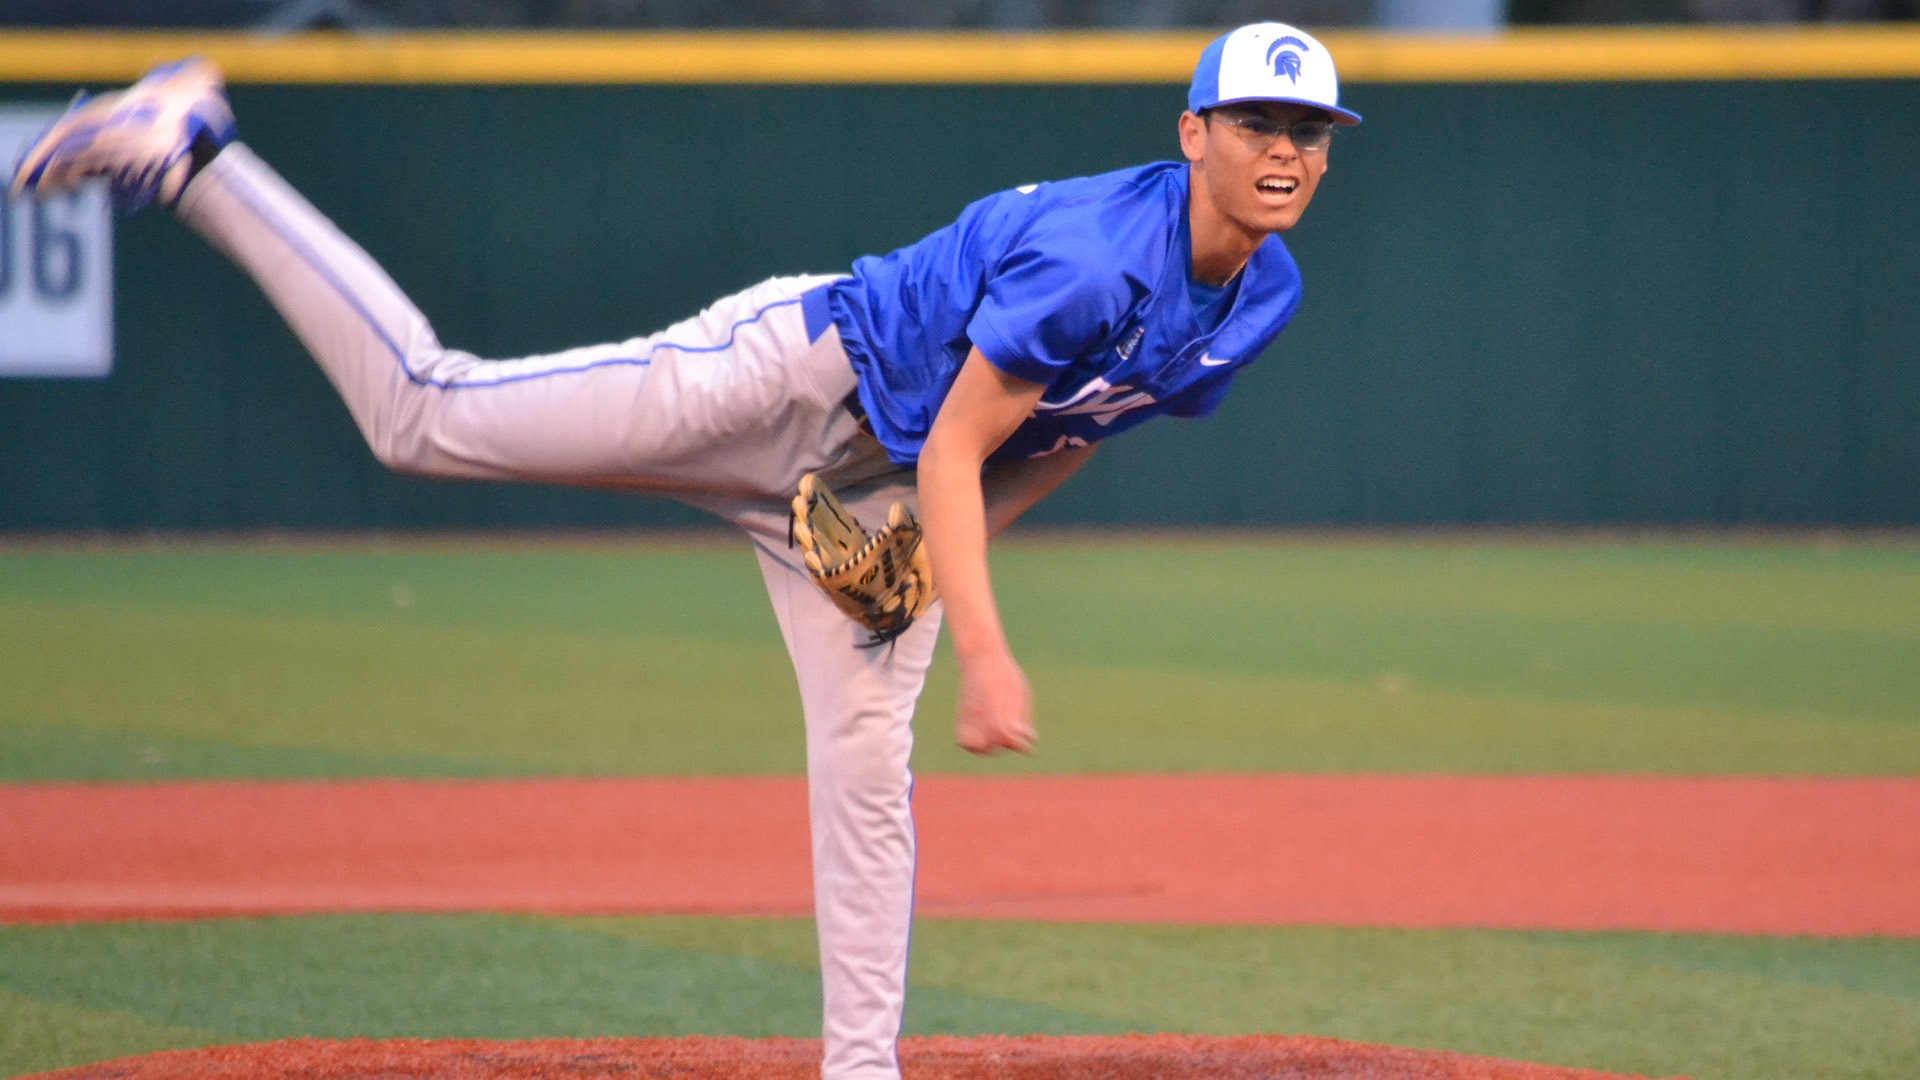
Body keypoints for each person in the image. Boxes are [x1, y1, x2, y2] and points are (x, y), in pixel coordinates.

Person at [12, 22, 1359, 1080]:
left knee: (866, 768)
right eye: (1257, 122)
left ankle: (859, 1070)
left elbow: (1076, 427)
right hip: (787, 381)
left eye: (1310, 128)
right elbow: (958, 446)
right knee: (423, 416)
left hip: (873, 486)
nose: (1285, 149)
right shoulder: (1093, 260)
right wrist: (985, 650)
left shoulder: (1266, 296)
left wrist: (930, 556)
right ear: (1194, 131)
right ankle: (194, 150)